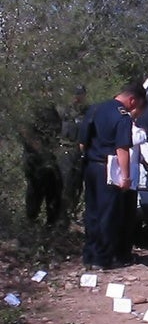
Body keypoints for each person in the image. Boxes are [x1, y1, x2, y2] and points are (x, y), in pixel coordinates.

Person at [79, 81, 147, 270]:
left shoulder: (95, 109)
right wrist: (125, 177)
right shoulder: (122, 116)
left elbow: (82, 141)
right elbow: (122, 148)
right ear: (132, 100)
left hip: (91, 166)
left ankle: (89, 256)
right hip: (109, 169)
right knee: (108, 215)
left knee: (92, 212)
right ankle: (103, 259)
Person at [116, 108, 148, 265]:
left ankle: (124, 252)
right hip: (124, 179)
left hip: (132, 180)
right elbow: (138, 138)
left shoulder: (131, 127)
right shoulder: (128, 128)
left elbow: (137, 153)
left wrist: (147, 166)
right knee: (123, 218)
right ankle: (120, 253)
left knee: (128, 218)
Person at [19, 99, 63, 226]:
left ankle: (51, 225)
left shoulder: (53, 111)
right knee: (35, 191)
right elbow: (25, 131)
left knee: (54, 191)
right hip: (34, 159)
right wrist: (41, 150)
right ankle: (30, 223)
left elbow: (57, 134)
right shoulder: (32, 110)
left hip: (50, 160)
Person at [58, 85, 89, 225]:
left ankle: (72, 212)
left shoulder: (87, 112)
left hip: (81, 151)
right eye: (76, 94)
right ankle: (61, 214)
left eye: (81, 94)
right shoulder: (63, 111)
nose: (78, 97)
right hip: (66, 150)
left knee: (77, 184)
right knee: (65, 183)